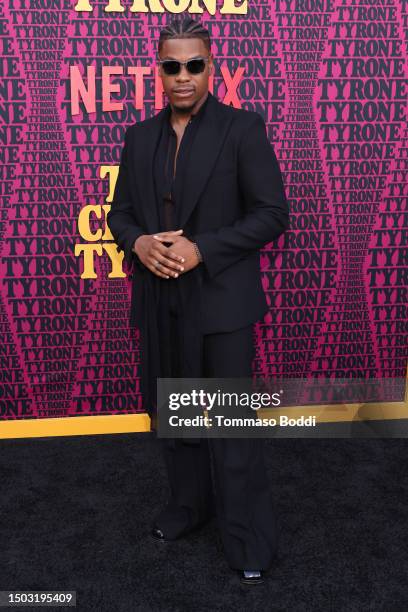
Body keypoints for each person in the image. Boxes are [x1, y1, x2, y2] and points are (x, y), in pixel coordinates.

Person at [107, 16, 289, 585]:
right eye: (171, 65)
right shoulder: (138, 137)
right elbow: (120, 214)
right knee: (174, 417)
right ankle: (189, 508)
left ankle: (247, 538)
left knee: (232, 427)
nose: (182, 76)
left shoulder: (242, 128)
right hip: (160, 302)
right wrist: (136, 242)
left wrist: (201, 250)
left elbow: (272, 214)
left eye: (194, 64)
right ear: (157, 70)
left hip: (222, 302)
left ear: (212, 67)